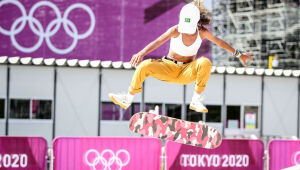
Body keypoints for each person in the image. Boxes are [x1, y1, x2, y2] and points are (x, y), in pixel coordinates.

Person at [109, 1, 254, 113]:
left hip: (186, 72)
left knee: (205, 62)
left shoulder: (202, 32)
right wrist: (141, 53)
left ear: (196, 22)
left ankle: (196, 100)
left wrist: (239, 54)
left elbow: (220, 42)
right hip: (168, 67)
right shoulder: (175, 30)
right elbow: (157, 41)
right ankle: (128, 98)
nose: (187, 33)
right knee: (144, 65)